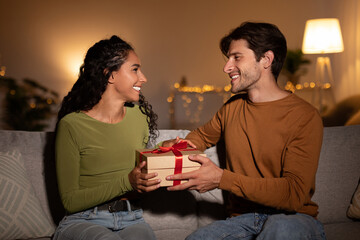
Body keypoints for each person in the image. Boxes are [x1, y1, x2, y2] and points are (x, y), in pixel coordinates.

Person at [163, 22, 326, 239]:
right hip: (243, 219)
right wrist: (175, 148)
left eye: (237, 57)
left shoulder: (305, 116)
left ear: (266, 59)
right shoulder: (232, 107)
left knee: (281, 230)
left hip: (293, 218)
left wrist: (222, 178)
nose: (226, 67)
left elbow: (294, 193)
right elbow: (201, 137)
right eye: (228, 58)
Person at [53, 35, 160, 240]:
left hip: (132, 218)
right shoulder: (72, 125)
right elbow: (69, 201)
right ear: (110, 74)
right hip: (83, 220)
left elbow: (142, 164)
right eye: (135, 69)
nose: (143, 78)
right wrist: (128, 182)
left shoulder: (139, 118)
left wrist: (168, 149)